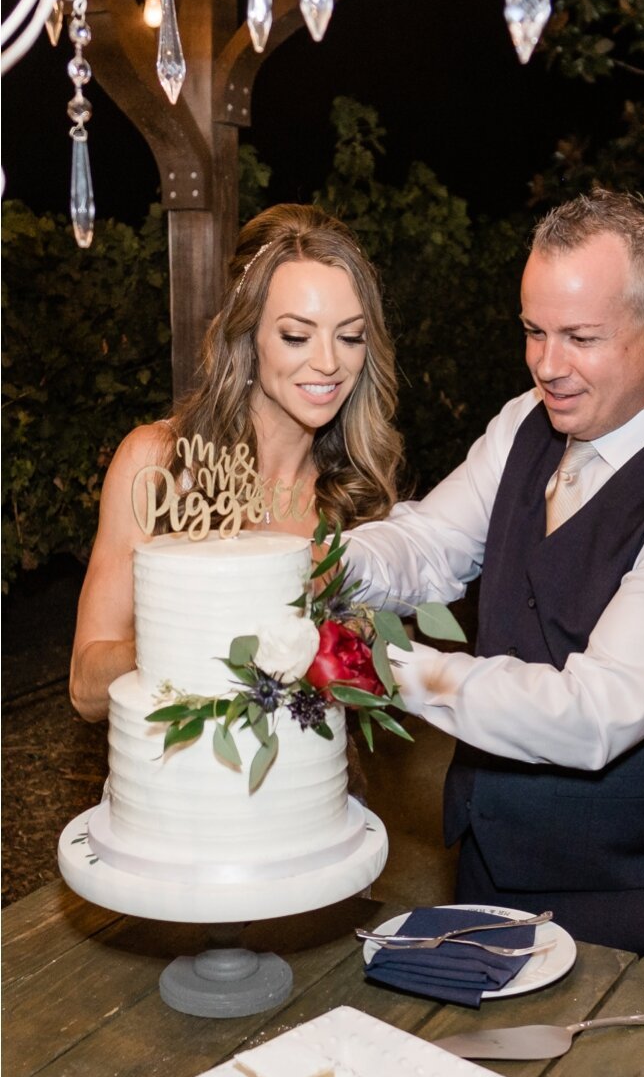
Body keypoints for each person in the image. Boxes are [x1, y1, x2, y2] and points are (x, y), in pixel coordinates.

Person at [345, 188, 644, 970]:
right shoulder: (526, 419)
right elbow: (429, 544)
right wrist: (322, 567)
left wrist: (384, 667)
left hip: (628, 909)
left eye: (580, 337)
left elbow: (595, 712)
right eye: (533, 331)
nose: (547, 366)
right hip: (485, 861)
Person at [70, 203, 402, 723]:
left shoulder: (358, 495)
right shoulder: (159, 466)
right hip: (179, 794)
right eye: (297, 335)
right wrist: (197, 634)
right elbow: (85, 688)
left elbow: (374, 684)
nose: (330, 362)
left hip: (310, 792)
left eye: (350, 335)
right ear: (247, 335)